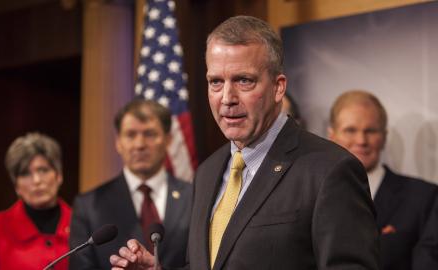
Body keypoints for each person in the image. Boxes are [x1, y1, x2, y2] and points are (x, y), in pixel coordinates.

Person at [110, 15, 379, 270]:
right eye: (216, 82)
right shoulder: (207, 172)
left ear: (278, 87)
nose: (227, 97)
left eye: (243, 80)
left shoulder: (329, 170)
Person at [70, 99, 192, 269]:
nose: (139, 144)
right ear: (118, 142)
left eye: (149, 134)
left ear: (168, 140)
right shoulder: (89, 206)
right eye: (130, 135)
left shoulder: (195, 197)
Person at [327, 90, 438, 270]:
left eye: (370, 131)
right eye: (350, 130)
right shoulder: (309, 195)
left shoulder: (424, 197)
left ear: (384, 137)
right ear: (331, 136)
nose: (361, 140)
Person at [0, 132, 71, 270]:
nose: (37, 180)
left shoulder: (82, 224)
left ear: (59, 176)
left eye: (43, 170)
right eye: (25, 173)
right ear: (16, 186)